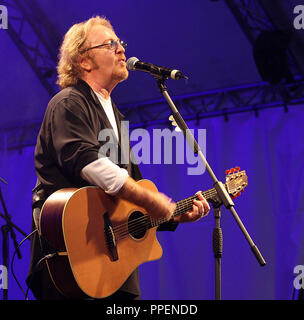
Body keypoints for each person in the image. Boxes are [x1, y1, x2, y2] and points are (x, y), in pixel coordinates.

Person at [26, 16, 210, 300]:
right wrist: (153, 201)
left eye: (120, 43)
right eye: (111, 44)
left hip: (115, 270)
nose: (122, 50)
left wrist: (173, 215)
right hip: (73, 259)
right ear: (84, 60)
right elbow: (88, 163)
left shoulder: (116, 117)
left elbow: (129, 197)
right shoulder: (68, 103)